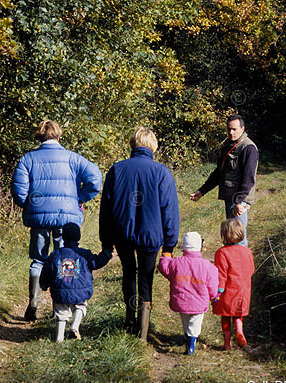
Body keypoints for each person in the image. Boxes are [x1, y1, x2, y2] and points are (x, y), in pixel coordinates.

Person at [11, 120, 102, 321]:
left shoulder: (28, 159)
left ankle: (33, 303)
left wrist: (27, 204)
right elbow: (96, 179)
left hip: (39, 217)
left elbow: (18, 190)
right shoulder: (73, 158)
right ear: (59, 137)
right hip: (66, 216)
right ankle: (59, 307)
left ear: (40, 137)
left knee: (38, 260)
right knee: (64, 259)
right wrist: (79, 197)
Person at [99, 126, 180, 341]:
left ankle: (129, 318)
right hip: (151, 235)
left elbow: (105, 209)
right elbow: (169, 210)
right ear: (152, 146)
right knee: (146, 277)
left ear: (132, 144)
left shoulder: (117, 170)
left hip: (122, 234)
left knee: (128, 273)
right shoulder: (161, 172)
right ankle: (143, 333)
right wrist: (169, 246)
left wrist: (106, 241)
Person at [190, 115, 258, 246]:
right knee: (230, 236)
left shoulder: (249, 148)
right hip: (230, 198)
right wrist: (202, 191)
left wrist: (239, 201)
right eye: (228, 129)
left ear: (242, 129)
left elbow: (249, 179)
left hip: (239, 200)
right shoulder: (228, 146)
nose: (231, 132)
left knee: (238, 238)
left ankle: (243, 266)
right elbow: (219, 173)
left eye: (234, 129)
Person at [39, 223, 112, 341]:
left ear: (63, 237)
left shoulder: (55, 254)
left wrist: (43, 284)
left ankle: (59, 337)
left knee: (61, 311)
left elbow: (47, 270)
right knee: (80, 306)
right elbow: (97, 261)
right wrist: (107, 253)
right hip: (80, 291)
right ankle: (75, 325)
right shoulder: (84, 254)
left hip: (60, 291)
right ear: (79, 237)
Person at [158, 232, 219, 355]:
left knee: (185, 321)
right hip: (199, 303)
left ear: (184, 247)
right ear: (200, 247)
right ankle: (191, 343)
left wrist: (166, 256)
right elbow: (212, 285)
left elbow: (164, 267)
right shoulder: (208, 266)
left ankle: (187, 336)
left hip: (181, 301)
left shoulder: (176, 263)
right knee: (195, 323)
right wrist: (214, 296)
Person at [212, 218, 255, 349]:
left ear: (224, 235)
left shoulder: (221, 253)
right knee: (237, 313)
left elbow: (221, 274)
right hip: (243, 289)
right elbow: (251, 269)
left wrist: (218, 290)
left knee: (225, 316)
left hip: (227, 290)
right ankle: (240, 331)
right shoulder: (247, 251)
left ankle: (226, 343)